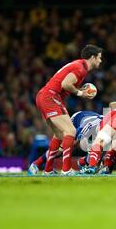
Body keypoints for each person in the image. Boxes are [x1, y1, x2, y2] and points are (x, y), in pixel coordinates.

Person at [35, 44, 103, 175]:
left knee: (59, 135)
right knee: (70, 131)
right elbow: (65, 84)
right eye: (99, 58)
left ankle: (48, 169)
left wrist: (79, 90)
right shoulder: (80, 68)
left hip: (46, 96)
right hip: (50, 96)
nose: (100, 61)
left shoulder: (78, 66)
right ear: (93, 57)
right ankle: (66, 169)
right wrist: (80, 93)